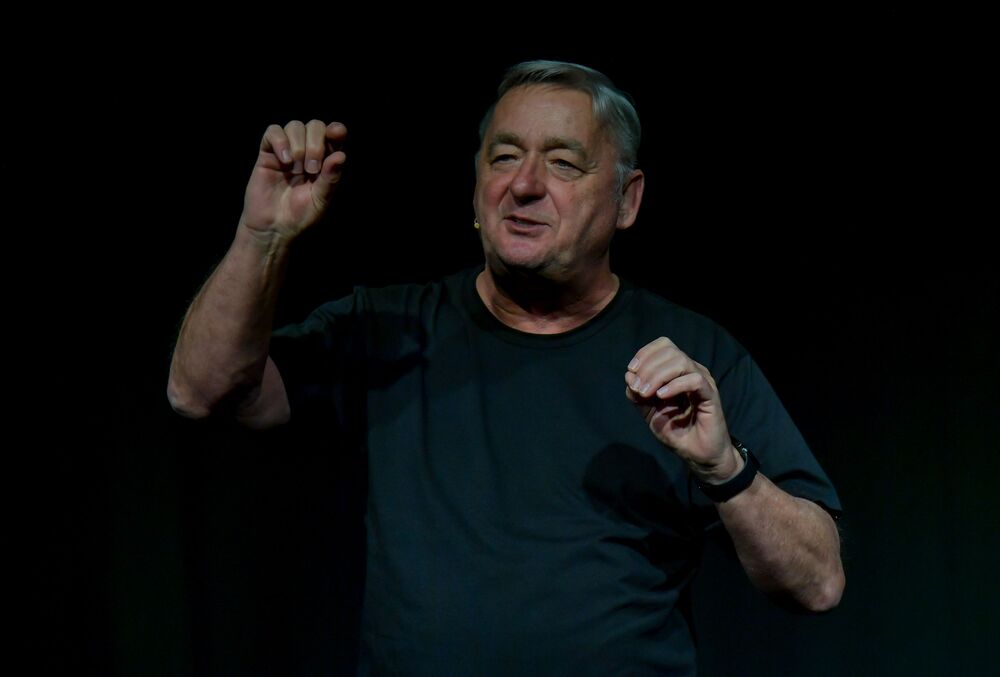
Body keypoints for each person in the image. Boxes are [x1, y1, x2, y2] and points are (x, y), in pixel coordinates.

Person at [168, 60, 844, 676]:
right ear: (475, 188)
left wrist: (724, 467)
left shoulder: (695, 360)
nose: (523, 185)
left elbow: (817, 583)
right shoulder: (391, 330)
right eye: (505, 157)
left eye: (563, 163)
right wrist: (262, 236)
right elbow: (200, 391)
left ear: (627, 200)